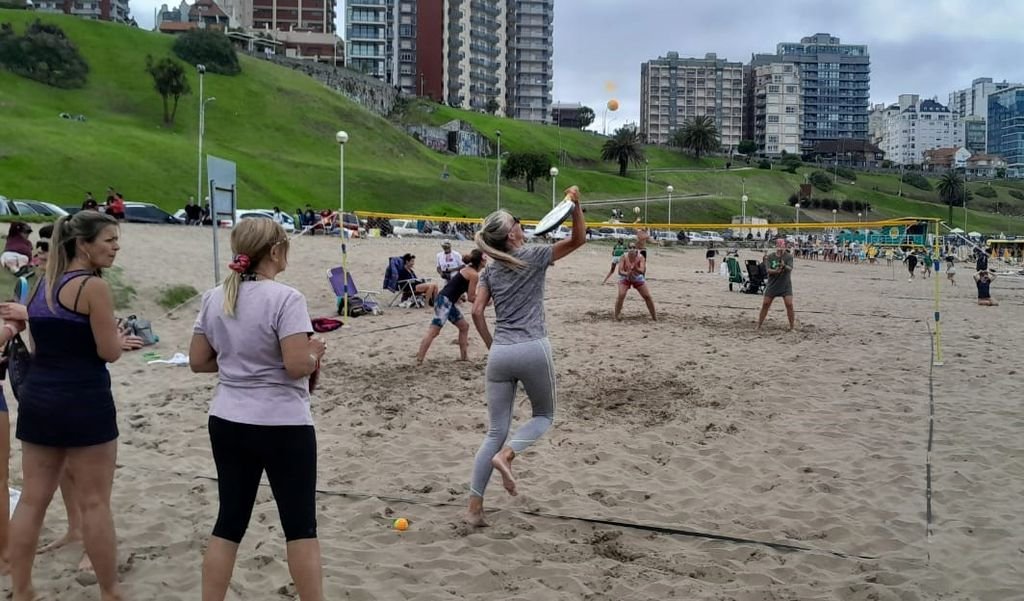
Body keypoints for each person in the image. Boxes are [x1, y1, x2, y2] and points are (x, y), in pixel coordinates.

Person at [189, 219, 327, 601]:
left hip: (228, 418)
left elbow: (199, 360)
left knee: (229, 521)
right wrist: (314, 353)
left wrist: (239, 361)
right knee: (300, 526)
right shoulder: (286, 298)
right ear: (277, 251)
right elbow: (296, 365)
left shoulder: (215, 296)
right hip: (282, 421)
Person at [7, 211, 125, 601]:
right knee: (95, 503)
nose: (115, 247)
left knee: (33, 498)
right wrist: (118, 339)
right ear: (84, 244)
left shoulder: (43, 283)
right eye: (109, 239)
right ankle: (110, 591)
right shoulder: (92, 288)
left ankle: (22, 588)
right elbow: (108, 352)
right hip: (83, 400)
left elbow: (45, 344)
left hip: (39, 398)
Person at [466, 185, 586, 527]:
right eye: (516, 221)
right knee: (544, 416)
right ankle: (507, 457)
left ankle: (474, 508)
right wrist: (577, 206)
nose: (521, 224)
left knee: (494, 431)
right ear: (513, 233)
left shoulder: (489, 270)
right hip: (532, 346)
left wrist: (493, 346)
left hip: (501, 353)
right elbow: (579, 241)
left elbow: (476, 312)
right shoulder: (531, 256)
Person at [416, 249, 485, 364]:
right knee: (434, 330)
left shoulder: (467, 270)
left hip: (446, 300)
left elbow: (464, 292)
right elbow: (471, 297)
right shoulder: (473, 275)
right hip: (444, 301)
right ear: (481, 262)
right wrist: (485, 300)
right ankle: (419, 359)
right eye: (484, 260)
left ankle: (464, 357)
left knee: (464, 326)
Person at [756, 238, 795, 331]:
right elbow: (768, 270)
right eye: (779, 245)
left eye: (783, 245)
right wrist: (776, 271)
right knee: (765, 304)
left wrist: (784, 266)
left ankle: (792, 327)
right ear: (776, 246)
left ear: (785, 246)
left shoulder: (789, 256)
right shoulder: (770, 257)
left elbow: (790, 268)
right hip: (773, 284)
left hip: (785, 285)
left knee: (789, 304)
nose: (781, 247)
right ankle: (759, 325)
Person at [613, 243, 657, 321]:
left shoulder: (640, 257)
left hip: (637, 277)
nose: (632, 249)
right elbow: (620, 271)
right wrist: (627, 273)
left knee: (647, 296)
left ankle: (654, 317)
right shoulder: (624, 257)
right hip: (625, 277)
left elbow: (642, 270)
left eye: (634, 247)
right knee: (621, 295)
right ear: (627, 249)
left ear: (636, 249)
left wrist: (636, 268)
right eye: (630, 247)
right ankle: (616, 316)